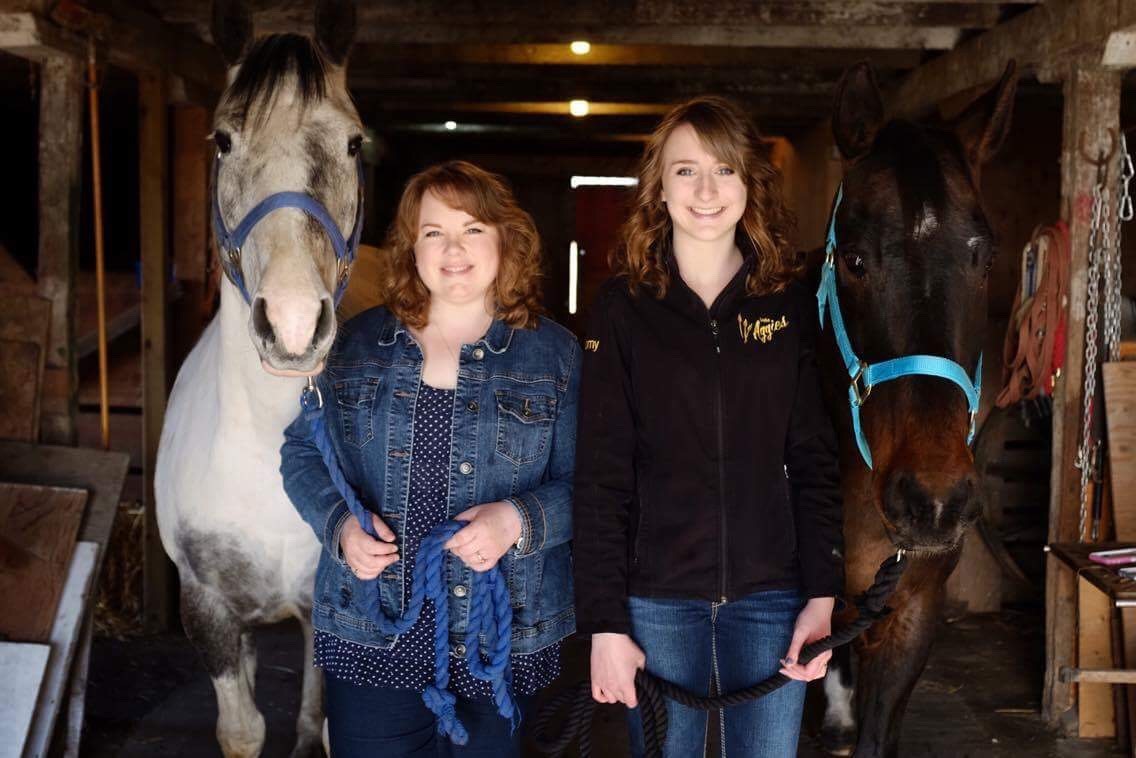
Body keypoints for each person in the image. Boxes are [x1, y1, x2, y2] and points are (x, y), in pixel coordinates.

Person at [573, 96, 843, 757]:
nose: (705, 190)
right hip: (658, 601)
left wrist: (823, 592)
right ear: (658, 189)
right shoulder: (622, 307)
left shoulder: (785, 303)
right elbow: (601, 476)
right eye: (685, 170)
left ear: (749, 185)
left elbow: (812, 459)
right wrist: (605, 625)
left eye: (723, 170)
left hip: (771, 596)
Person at [281, 160, 579, 757]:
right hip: (371, 630)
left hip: (502, 635)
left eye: (472, 230)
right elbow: (300, 453)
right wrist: (339, 527)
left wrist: (517, 521)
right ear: (411, 248)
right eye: (433, 232)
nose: (453, 250)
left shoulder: (554, 354)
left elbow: (597, 485)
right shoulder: (354, 344)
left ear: (505, 240)